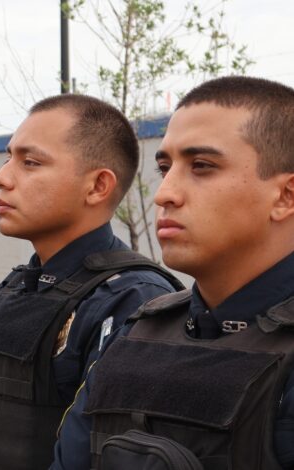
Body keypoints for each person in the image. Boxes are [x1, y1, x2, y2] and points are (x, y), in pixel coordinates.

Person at [0, 94, 183, 470]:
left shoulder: (131, 300)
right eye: (7, 157)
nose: (1, 177)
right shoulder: (14, 289)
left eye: (30, 162)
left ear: (97, 186)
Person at [52, 76, 294, 469]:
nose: (164, 193)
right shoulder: (140, 331)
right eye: (165, 167)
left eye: (201, 166)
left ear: (285, 196)